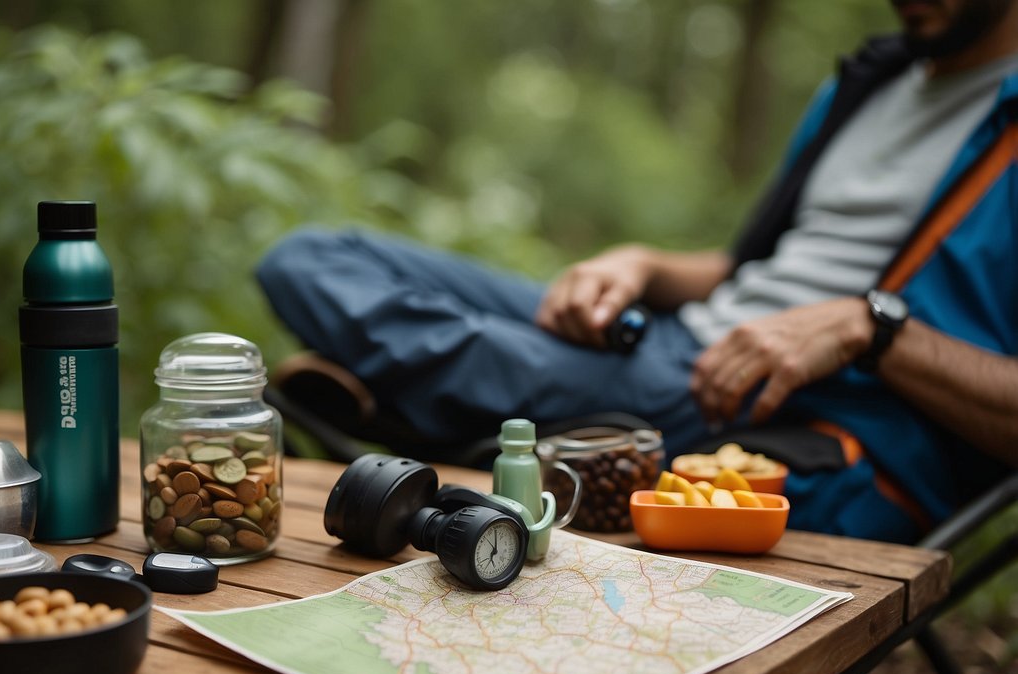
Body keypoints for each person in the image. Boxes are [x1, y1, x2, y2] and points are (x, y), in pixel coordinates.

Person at [256, 0, 1018, 544]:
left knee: (494, 354)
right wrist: (641, 265)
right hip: (666, 336)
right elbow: (750, 269)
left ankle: (409, 407)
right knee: (308, 260)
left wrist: (870, 328)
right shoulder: (868, 83)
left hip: (756, 396)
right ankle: (442, 402)